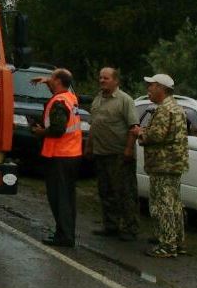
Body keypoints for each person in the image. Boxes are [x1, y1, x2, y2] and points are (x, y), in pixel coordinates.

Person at [134, 73, 188, 258]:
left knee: (161, 204)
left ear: (161, 88)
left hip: (163, 164)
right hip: (174, 164)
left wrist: (140, 133)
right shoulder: (177, 108)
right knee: (174, 204)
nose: (148, 89)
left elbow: (157, 135)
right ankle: (177, 241)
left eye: (151, 86)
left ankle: (167, 245)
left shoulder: (165, 110)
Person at [30, 68, 82, 247]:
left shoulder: (59, 102)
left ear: (58, 81)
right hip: (70, 154)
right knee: (67, 197)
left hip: (60, 155)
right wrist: (46, 80)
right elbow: (59, 84)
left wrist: (39, 132)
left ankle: (65, 236)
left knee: (60, 198)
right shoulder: (70, 97)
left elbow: (57, 130)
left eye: (52, 78)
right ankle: (65, 233)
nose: (49, 81)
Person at [89, 67, 140, 241]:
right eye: (101, 77)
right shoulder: (98, 99)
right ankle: (111, 225)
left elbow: (134, 127)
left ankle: (130, 227)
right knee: (105, 191)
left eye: (106, 78)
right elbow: (94, 124)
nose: (102, 80)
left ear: (116, 81)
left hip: (119, 154)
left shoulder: (124, 100)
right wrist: (89, 146)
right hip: (101, 153)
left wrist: (128, 149)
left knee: (124, 192)